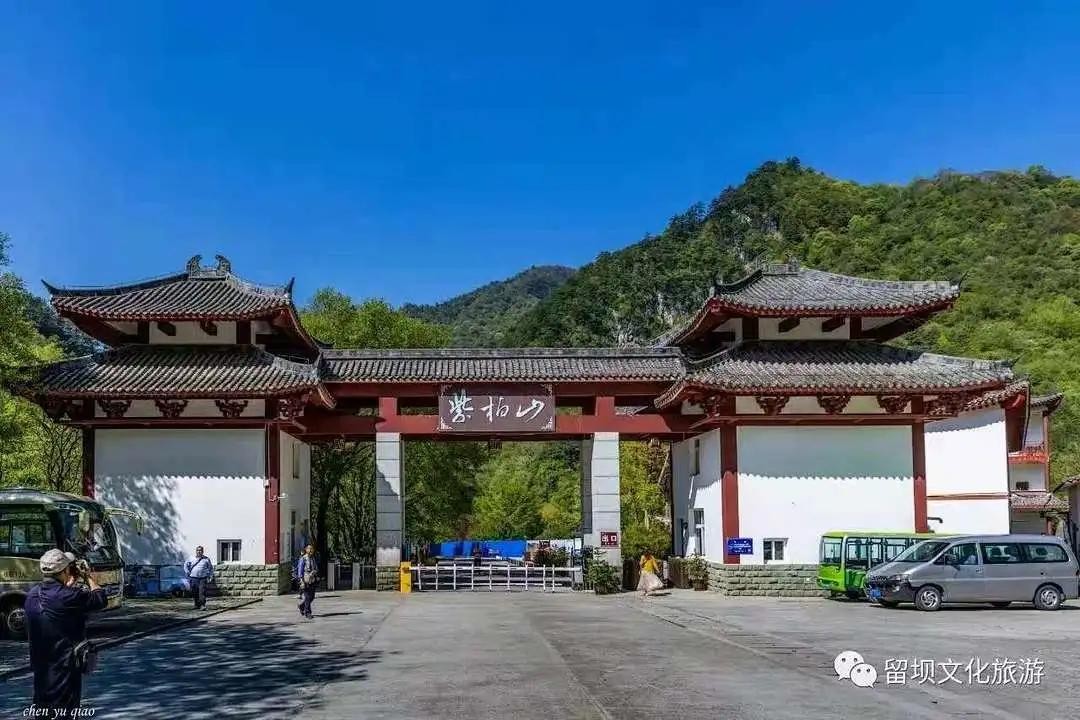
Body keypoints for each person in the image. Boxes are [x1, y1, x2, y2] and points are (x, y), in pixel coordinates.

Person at [25, 549, 109, 713]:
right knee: (65, 711)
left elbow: (55, 603)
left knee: (43, 710)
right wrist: (87, 576)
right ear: (64, 571)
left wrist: (67, 585)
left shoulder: (32, 595)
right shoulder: (68, 596)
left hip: (41, 668)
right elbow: (100, 599)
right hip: (64, 667)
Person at [184, 545, 214, 610]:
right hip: (193, 578)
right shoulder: (191, 558)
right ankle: (196, 605)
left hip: (202, 578)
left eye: (200, 550)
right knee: (194, 592)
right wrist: (187, 572)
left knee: (202, 592)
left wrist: (210, 576)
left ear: (202, 551)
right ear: (196, 551)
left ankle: (202, 605)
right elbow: (185, 565)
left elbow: (210, 568)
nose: (199, 551)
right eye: (198, 550)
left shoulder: (206, 559)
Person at [295, 545, 318, 619]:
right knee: (307, 597)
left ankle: (302, 606)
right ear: (306, 550)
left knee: (312, 597)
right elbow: (300, 570)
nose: (311, 550)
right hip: (305, 580)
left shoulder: (313, 558)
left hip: (312, 580)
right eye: (309, 549)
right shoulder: (303, 558)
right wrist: (301, 581)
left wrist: (314, 572)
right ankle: (307, 612)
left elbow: (316, 568)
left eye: (312, 549)